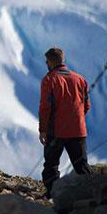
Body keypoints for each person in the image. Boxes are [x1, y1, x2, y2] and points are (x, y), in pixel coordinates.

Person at [38, 47, 92, 197]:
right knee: (81, 165)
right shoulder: (80, 79)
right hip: (78, 130)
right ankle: (89, 194)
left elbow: (45, 107)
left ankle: (53, 194)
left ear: (49, 62)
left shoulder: (49, 80)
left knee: (51, 165)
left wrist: (43, 129)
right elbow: (86, 105)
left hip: (56, 131)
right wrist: (77, 119)